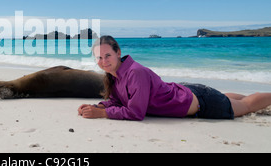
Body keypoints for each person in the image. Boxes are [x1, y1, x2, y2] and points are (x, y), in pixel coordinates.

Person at [78, 35, 271, 121]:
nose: (103, 61)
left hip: (201, 102)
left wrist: (102, 114)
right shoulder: (115, 76)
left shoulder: (135, 73)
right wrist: (98, 107)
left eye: (108, 55)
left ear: (118, 52)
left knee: (246, 105)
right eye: (99, 57)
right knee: (227, 98)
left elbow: (136, 113)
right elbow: (117, 100)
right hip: (189, 93)